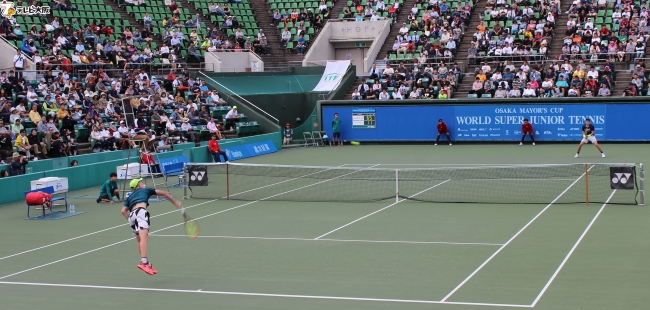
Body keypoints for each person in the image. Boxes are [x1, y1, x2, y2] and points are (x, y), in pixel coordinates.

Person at [121, 178, 183, 275]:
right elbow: (165, 194)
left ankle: (146, 263)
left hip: (132, 216)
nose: (142, 183)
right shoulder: (145, 190)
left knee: (139, 240)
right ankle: (144, 262)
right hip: (141, 212)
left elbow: (123, 211)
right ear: (138, 185)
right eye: (140, 182)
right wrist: (175, 203)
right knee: (144, 238)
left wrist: (130, 220)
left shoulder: (130, 196)